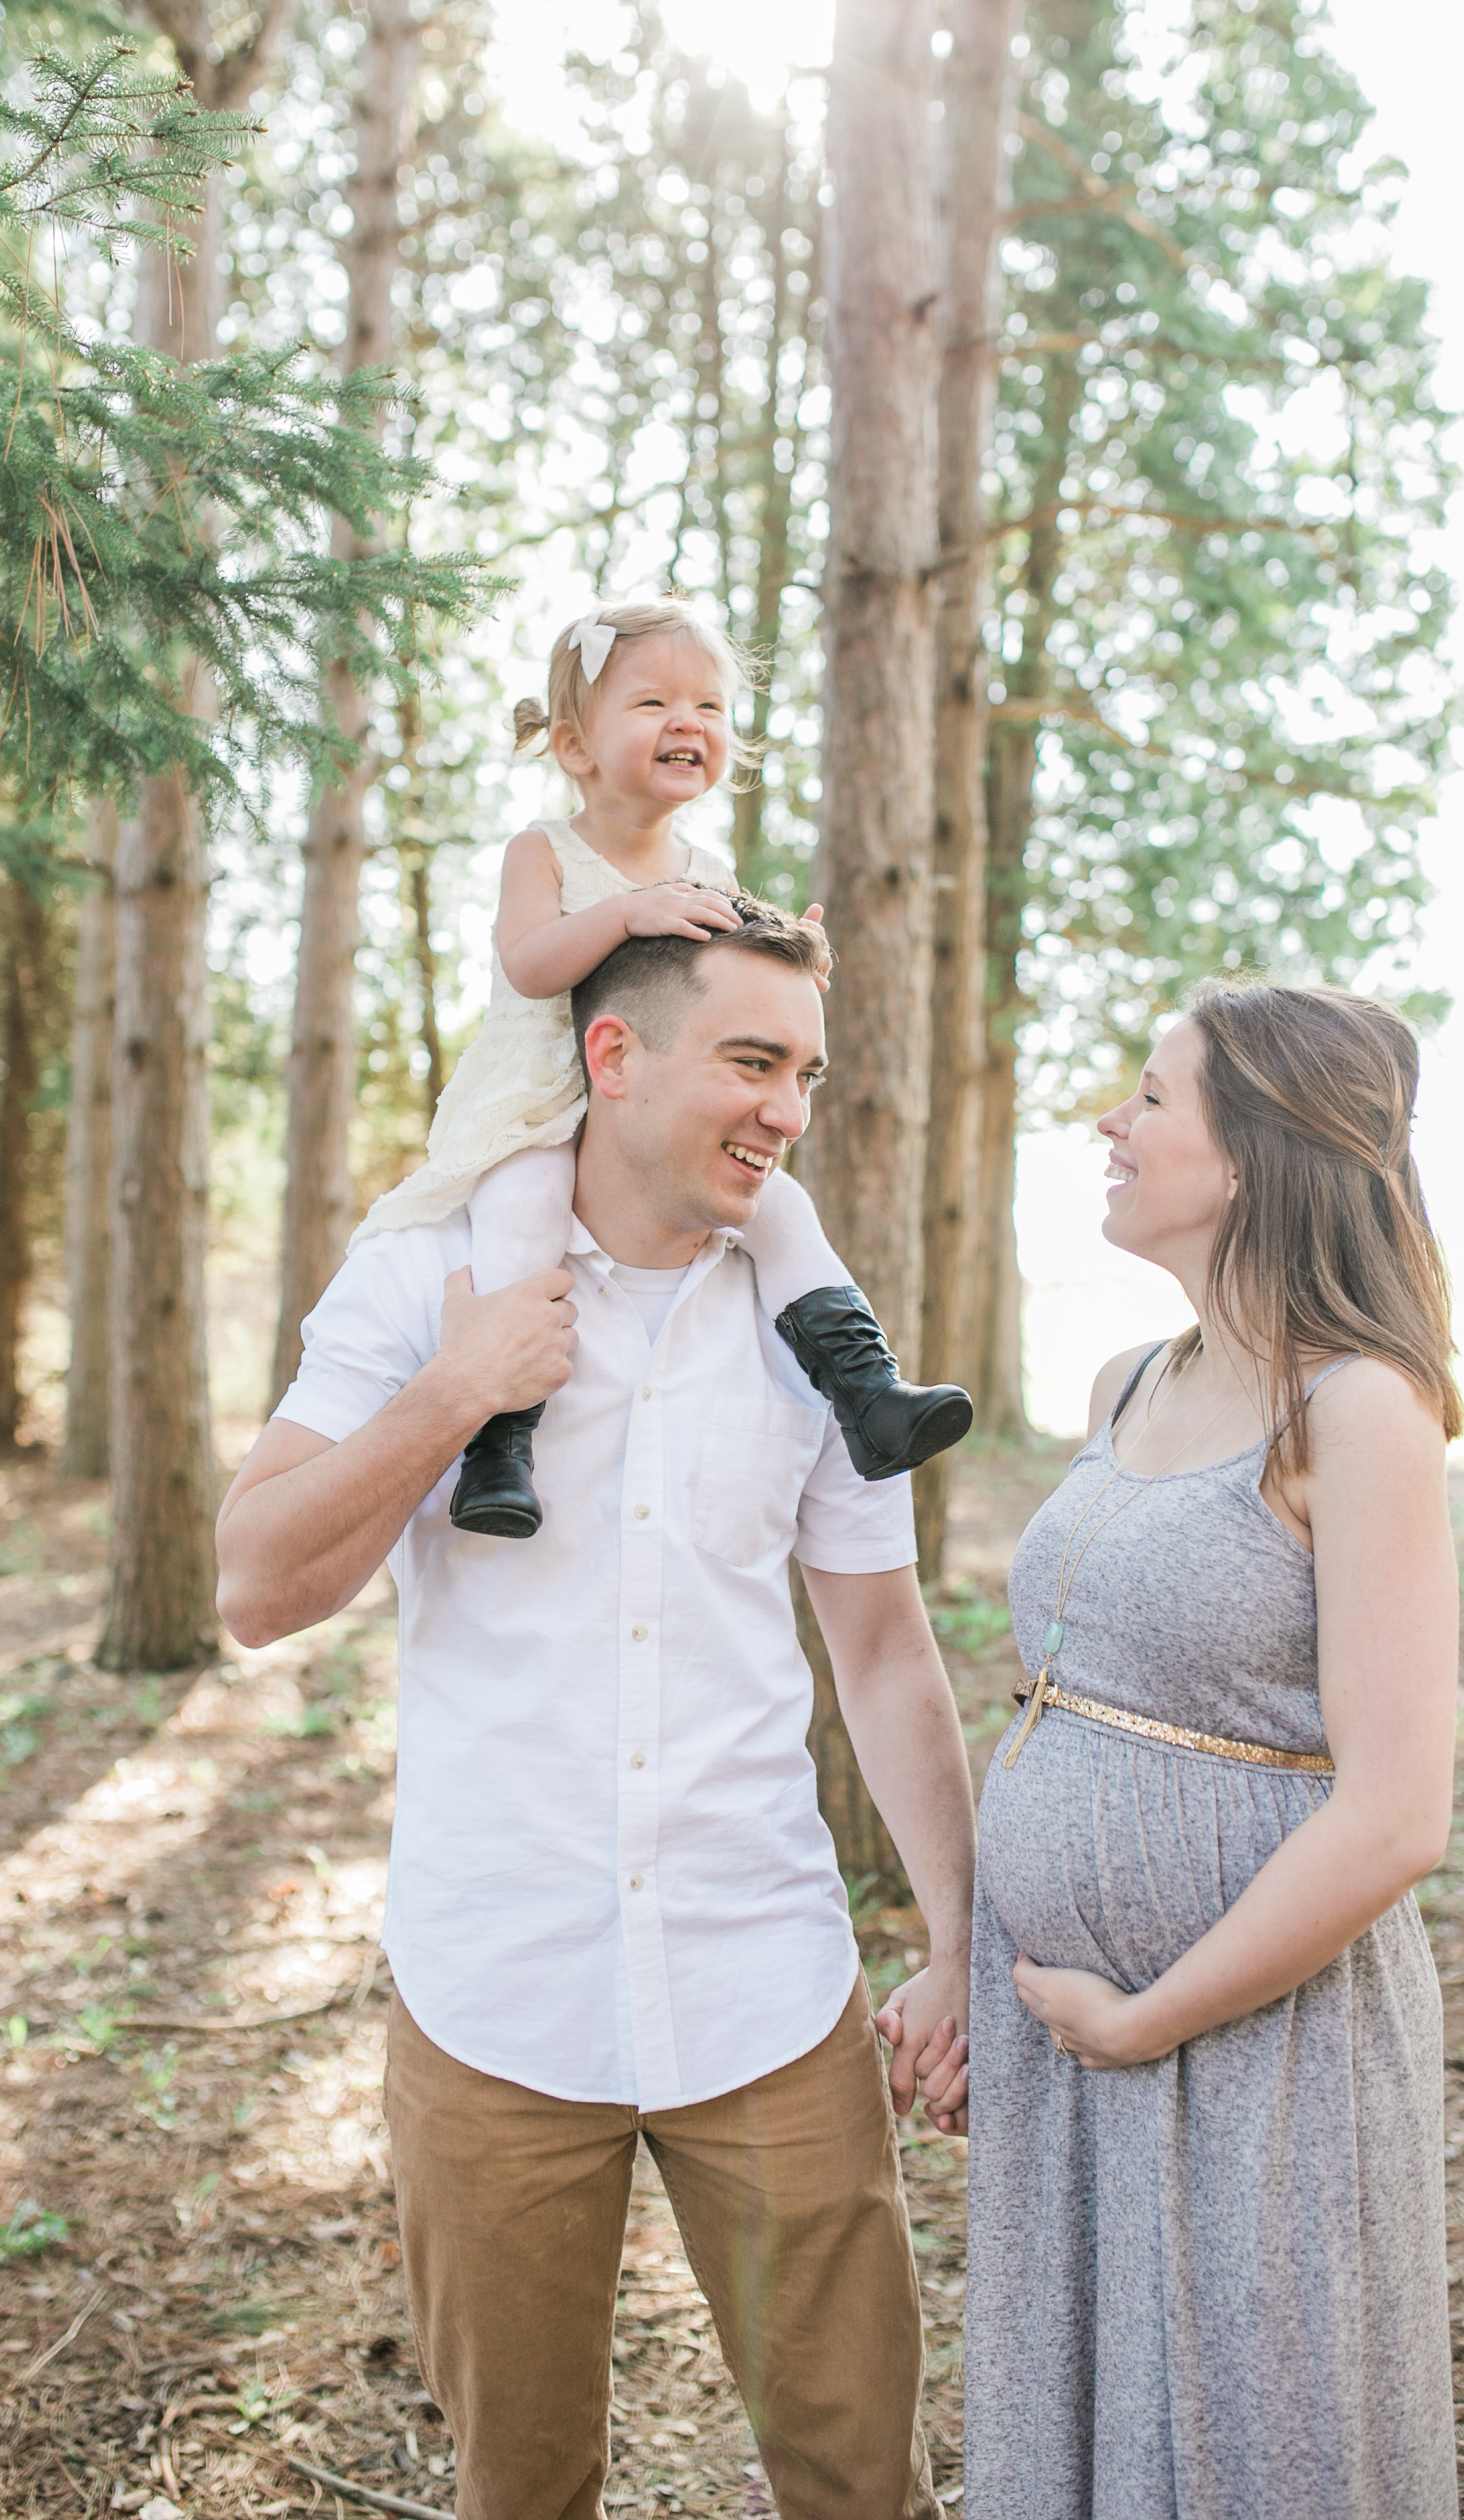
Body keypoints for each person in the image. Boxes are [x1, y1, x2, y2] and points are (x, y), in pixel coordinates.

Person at [216, 896, 976, 2520]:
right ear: (613, 1055)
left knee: (860, 2481)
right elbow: (256, 1586)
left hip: (765, 1981)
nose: (787, 1108)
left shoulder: (812, 1334)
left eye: (808, 1074)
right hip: (497, 1993)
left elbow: (886, 1650)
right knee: (523, 2490)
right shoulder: (425, 1274)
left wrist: (962, 1935)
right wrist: (456, 1389)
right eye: (753, 1061)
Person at [960, 980, 1463, 2520]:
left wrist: (1152, 2016)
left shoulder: (1358, 1410)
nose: (1112, 1125)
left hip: (1252, 2041)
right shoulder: (1133, 1381)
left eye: (1151, 1097)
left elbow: (1396, 1815)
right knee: (1091, 2422)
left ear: (1249, 1153)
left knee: (1253, 2435)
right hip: (1076, 2039)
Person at [351, 593, 970, 1538]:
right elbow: (529, 963)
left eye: (709, 708)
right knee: (521, 1217)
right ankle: (498, 1445)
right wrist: (624, 915)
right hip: (542, 1102)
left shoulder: (706, 863)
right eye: (651, 705)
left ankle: (866, 1388)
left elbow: (729, 984)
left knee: (785, 1209)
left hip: (653, 1110)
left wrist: (789, 952)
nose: (687, 722)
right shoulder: (544, 851)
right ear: (574, 747)